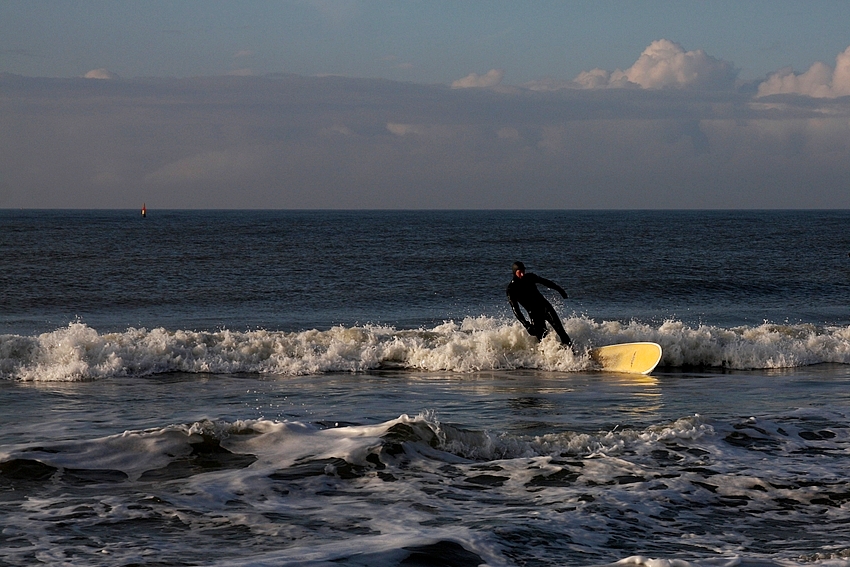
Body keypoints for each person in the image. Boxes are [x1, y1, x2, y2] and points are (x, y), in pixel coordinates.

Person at [506, 261, 572, 349]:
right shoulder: (511, 289)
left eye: (523, 271)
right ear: (514, 272)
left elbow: (546, 282)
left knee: (561, 332)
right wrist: (526, 325)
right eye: (519, 272)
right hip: (534, 314)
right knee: (543, 340)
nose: (522, 274)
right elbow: (516, 309)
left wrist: (560, 290)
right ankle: (550, 359)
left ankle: (573, 354)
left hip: (545, 308)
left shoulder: (530, 277)